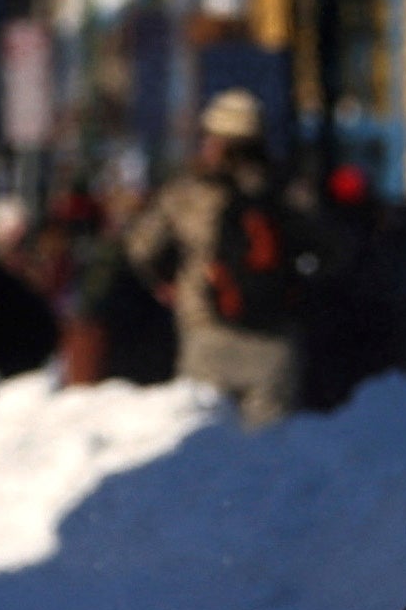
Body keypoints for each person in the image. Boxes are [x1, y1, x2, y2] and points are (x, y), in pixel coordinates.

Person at [128, 89, 313, 424]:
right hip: (275, 337)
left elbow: (141, 247)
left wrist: (167, 283)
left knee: (206, 448)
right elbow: (334, 249)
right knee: (271, 454)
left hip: (205, 331)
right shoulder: (288, 191)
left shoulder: (188, 193)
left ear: (215, 140)